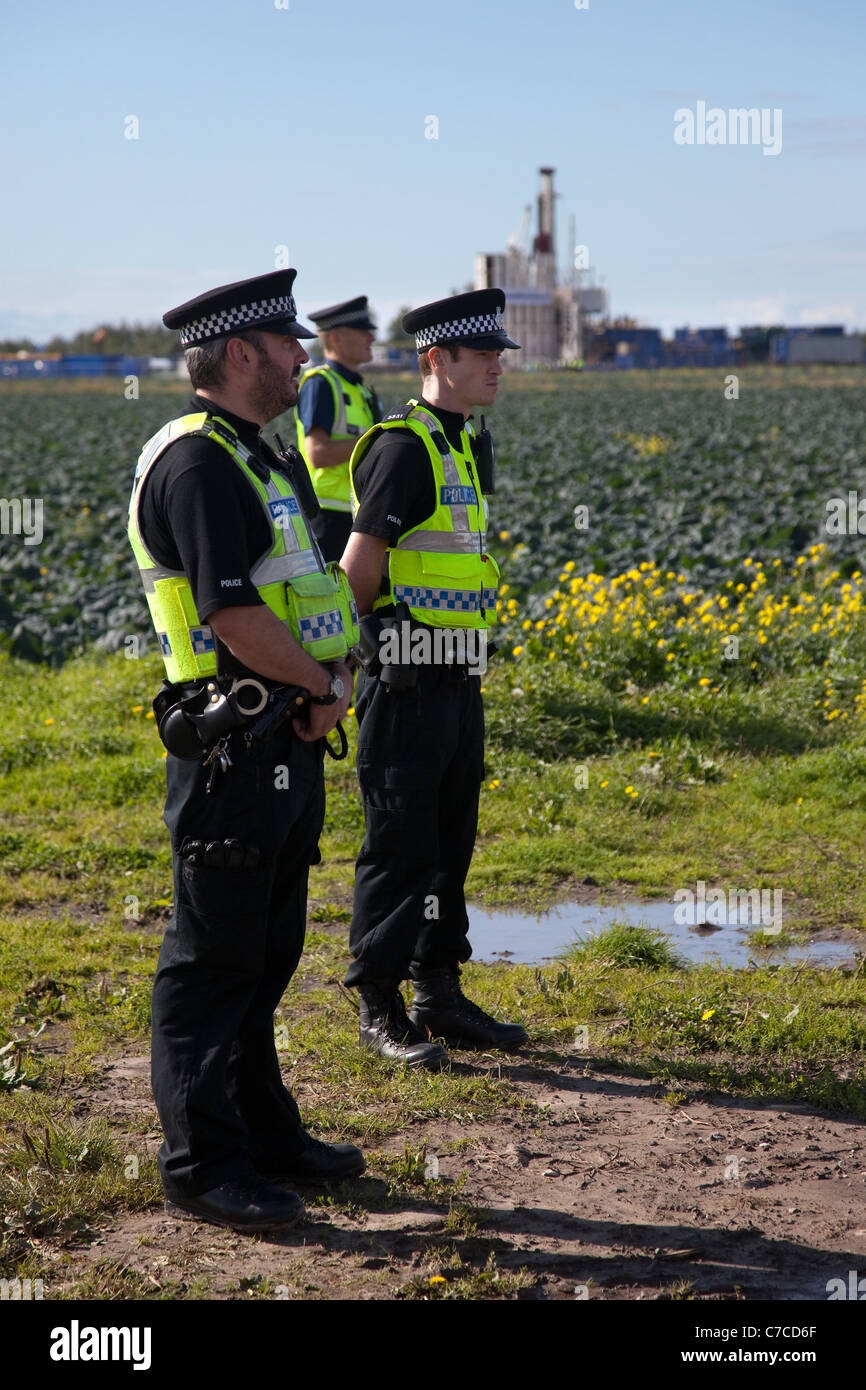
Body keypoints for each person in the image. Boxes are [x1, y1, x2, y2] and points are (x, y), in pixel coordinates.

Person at [127, 270, 364, 1233]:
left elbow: (299, 593)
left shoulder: (255, 455)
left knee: (265, 955)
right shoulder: (198, 464)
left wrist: (326, 687)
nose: (301, 357)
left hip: (283, 733)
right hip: (228, 746)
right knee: (212, 961)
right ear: (239, 354)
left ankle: (266, 1135)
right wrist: (317, 685)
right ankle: (203, 1165)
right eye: (285, 344)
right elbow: (230, 612)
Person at [339, 289, 529, 1069]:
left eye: (498, 355)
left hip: (458, 677)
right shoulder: (402, 447)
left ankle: (438, 992)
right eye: (480, 355)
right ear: (433, 361)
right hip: (405, 679)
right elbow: (358, 571)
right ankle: (380, 1004)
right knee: (399, 843)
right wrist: (336, 672)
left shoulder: (466, 444)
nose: (496, 366)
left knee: (451, 840)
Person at [295, 296, 382, 561]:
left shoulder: (362, 389)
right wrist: (374, 443)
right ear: (336, 339)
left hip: (358, 513)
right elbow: (318, 453)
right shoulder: (320, 384)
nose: (372, 338)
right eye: (363, 332)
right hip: (328, 518)